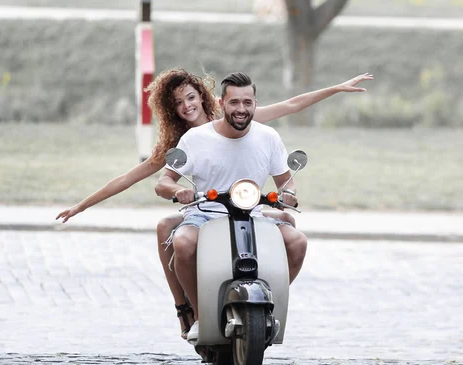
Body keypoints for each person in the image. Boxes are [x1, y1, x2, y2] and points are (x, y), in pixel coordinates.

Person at [56, 68, 373, 339]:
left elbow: (291, 106)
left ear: (207, 98)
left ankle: (263, 309)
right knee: (169, 230)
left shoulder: (242, 118)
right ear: (171, 110)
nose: (186, 106)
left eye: (190, 98)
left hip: (248, 205)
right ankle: (190, 309)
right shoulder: (184, 141)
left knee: (291, 227)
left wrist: (337, 88)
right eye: (178, 103)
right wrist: (80, 206)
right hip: (204, 209)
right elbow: (131, 178)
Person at [155, 71, 304, 344]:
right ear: (222, 104)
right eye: (234, 102)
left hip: (253, 213)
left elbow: (287, 182)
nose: (241, 109)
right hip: (205, 215)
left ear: (255, 104)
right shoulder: (196, 139)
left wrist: (290, 194)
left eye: (247, 102)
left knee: (297, 242)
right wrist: (180, 191)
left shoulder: (268, 137)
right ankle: (201, 316)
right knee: (184, 243)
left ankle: (268, 306)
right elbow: (163, 182)